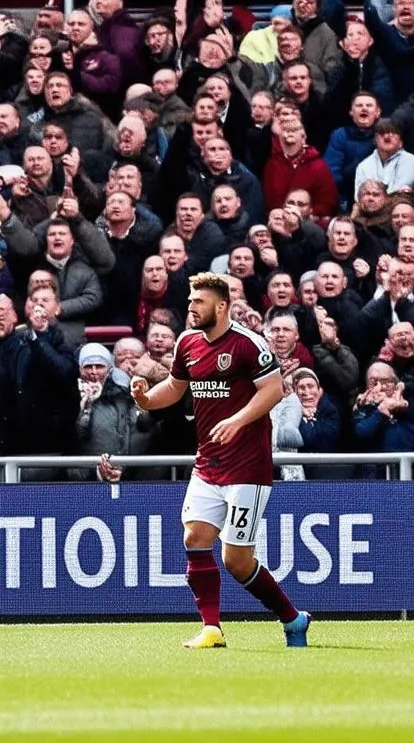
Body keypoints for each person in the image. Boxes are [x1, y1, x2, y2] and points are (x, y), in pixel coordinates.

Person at [129, 272, 311, 649]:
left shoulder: (249, 344)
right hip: (208, 463)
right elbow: (175, 388)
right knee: (194, 536)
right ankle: (211, 627)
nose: (191, 306)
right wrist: (146, 399)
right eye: (191, 300)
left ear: (222, 305)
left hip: (247, 467)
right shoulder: (187, 342)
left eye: (198, 301)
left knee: (236, 560)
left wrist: (238, 418)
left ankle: (293, 619)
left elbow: (274, 390)